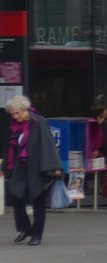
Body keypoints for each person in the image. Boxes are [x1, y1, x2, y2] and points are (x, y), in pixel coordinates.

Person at [1, 95, 62, 245]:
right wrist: (4, 165)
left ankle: (37, 235)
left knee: (38, 201)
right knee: (16, 195)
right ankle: (25, 228)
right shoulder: (13, 125)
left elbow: (48, 144)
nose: (15, 117)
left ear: (25, 110)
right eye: (12, 114)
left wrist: (55, 166)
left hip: (37, 166)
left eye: (17, 113)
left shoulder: (38, 122)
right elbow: (8, 146)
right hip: (19, 166)